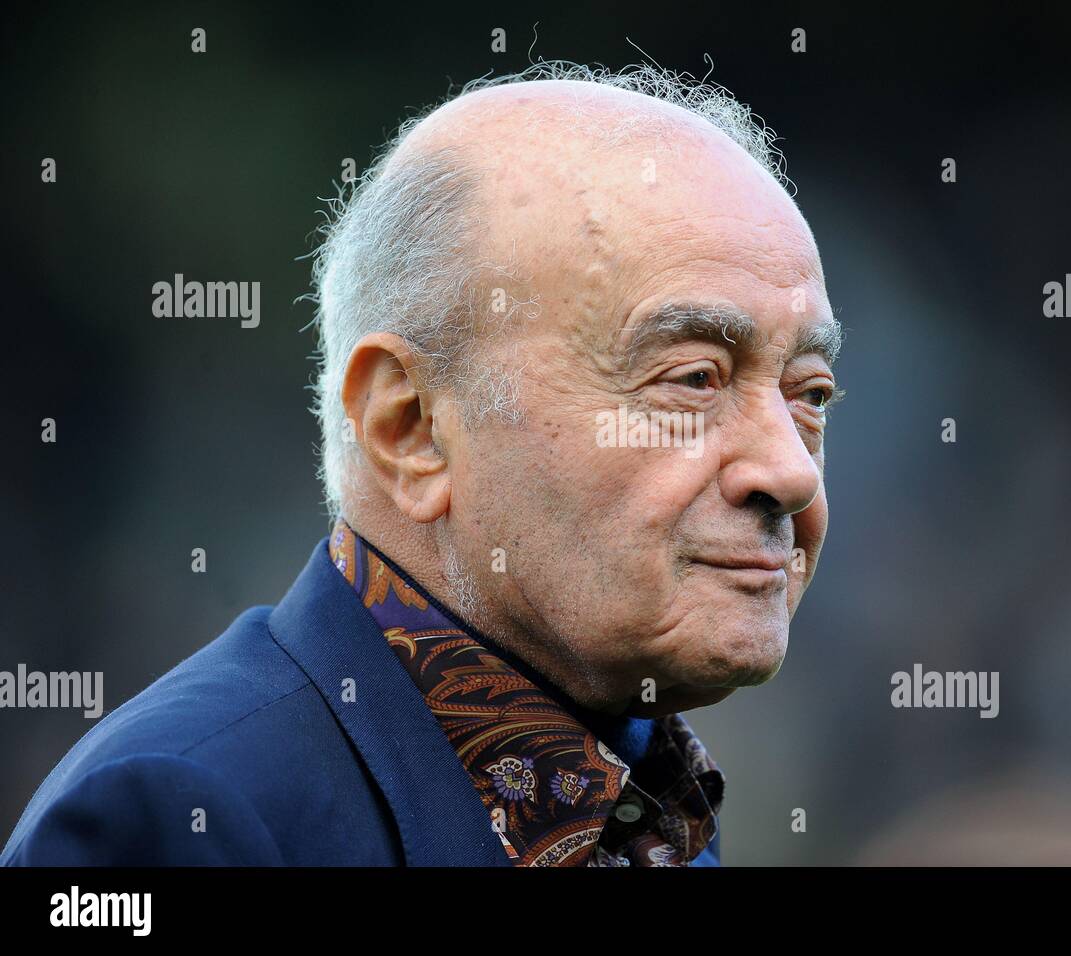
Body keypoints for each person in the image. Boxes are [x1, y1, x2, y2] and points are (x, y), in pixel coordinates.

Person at [2, 61, 841, 866]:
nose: (790, 472)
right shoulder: (181, 823)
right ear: (410, 428)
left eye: (810, 394)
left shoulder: (648, 811)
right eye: (692, 378)